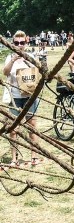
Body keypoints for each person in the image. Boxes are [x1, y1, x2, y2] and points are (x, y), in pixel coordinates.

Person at [3, 31, 43, 167]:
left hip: (29, 97)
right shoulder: (9, 57)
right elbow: (5, 72)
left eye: (22, 43)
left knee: (32, 126)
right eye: (16, 43)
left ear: (26, 42)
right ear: (12, 43)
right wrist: (14, 60)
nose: (19, 45)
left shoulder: (30, 56)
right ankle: (14, 158)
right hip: (15, 97)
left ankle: (34, 156)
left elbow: (39, 72)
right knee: (13, 129)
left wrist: (30, 62)